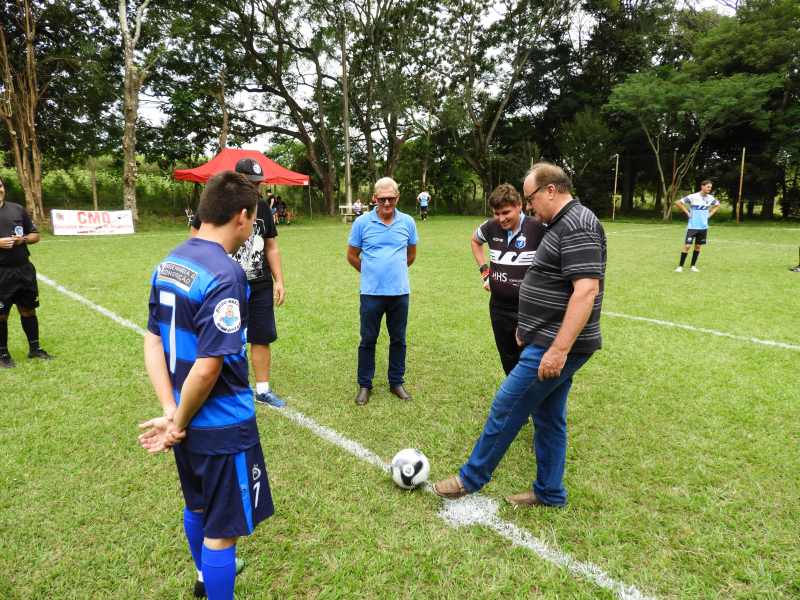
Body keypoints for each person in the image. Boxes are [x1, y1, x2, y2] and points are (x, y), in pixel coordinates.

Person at [432, 162, 606, 508]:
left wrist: (557, 349)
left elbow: (586, 290)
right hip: (541, 337)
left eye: (530, 199)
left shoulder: (577, 224)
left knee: (506, 405)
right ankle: (549, 492)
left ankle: (471, 478)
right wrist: (529, 328)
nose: (528, 207)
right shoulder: (561, 223)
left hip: (555, 345)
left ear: (550, 191)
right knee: (547, 415)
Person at [138, 170, 275, 600]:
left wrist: (170, 412)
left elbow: (152, 338)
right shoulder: (226, 273)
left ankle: (202, 576)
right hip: (220, 425)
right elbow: (207, 368)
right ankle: (215, 584)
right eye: (253, 220)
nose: (253, 227)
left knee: (197, 504)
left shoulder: (169, 262)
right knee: (223, 530)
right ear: (242, 216)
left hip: (185, 419)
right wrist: (177, 418)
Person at [191, 158, 287, 408]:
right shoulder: (216, 203)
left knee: (261, 335)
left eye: (258, 183)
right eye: (250, 182)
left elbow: (271, 245)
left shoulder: (263, 206)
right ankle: (223, 386)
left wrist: (279, 280)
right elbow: (196, 240)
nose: (255, 188)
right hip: (224, 285)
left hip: (259, 284)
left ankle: (263, 390)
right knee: (225, 335)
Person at [347, 177, 418, 406]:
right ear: (375, 199)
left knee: (399, 339)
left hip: (399, 293)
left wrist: (393, 272)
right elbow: (351, 256)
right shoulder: (362, 223)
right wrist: (370, 273)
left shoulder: (408, 222)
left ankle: (396, 382)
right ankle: (365, 385)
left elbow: (411, 255)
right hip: (371, 293)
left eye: (391, 199)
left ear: (397, 197)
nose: (386, 203)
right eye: (382, 199)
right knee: (368, 340)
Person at [471, 184, 546, 376]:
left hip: (529, 308)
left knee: (529, 360)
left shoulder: (538, 227)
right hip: (499, 307)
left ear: (519, 205)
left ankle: (531, 403)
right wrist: (484, 270)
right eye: (497, 213)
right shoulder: (489, 227)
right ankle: (517, 401)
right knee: (508, 358)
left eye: (506, 212)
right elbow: (475, 240)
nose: (501, 219)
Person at [0, 176, 55, 368]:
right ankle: (3, 354)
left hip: (23, 269)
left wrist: (23, 239)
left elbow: (35, 235)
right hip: (0, 272)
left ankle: (35, 349)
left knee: (29, 310)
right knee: (1, 314)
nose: (0, 190)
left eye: (0, 186)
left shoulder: (17, 209)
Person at [675, 180, 719, 272]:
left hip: (703, 227)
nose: (709, 189)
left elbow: (718, 205)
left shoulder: (710, 198)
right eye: (708, 187)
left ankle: (693, 266)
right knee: (687, 246)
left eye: (710, 187)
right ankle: (680, 266)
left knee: (698, 246)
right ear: (702, 186)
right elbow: (678, 203)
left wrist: (710, 215)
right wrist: (687, 212)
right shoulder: (693, 197)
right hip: (692, 226)